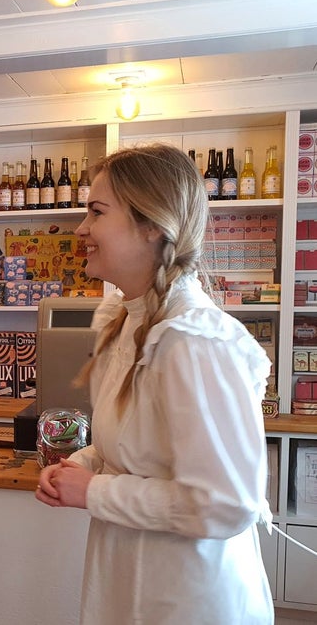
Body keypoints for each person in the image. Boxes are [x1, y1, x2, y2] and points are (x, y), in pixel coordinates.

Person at [35, 144, 274, 624]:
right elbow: (130, 450)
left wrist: (94, 491)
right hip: (131, 583)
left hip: (188, 598)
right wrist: (77, 466)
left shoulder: (195, 343)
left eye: (97, 212)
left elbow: (225, 504)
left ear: (152, 227)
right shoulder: (122, 322)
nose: (81, 229)